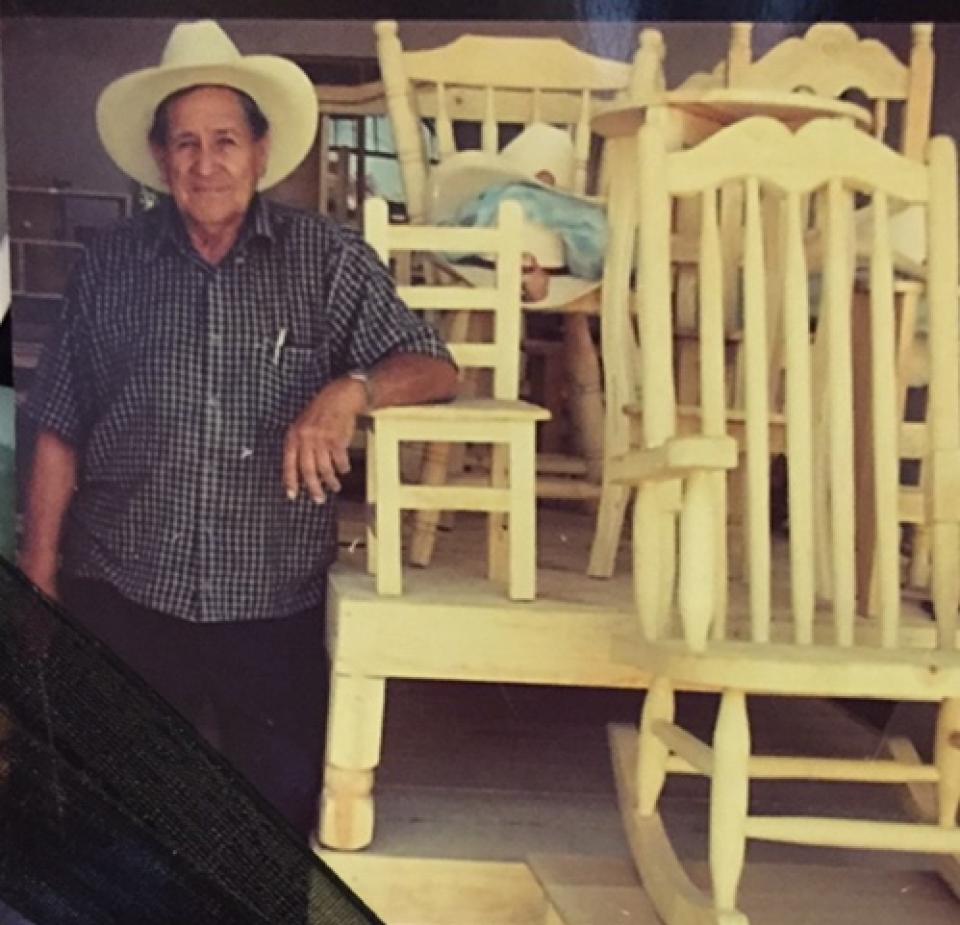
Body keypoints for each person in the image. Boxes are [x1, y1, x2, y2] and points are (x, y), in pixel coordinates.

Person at [17, 20, 457, 839]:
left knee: (274, 823)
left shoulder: (326, 259)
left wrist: (350, 389)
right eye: (184, 143)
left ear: (261, 153)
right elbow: (57, 421)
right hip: (124, 585)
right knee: (114, 820)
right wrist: (37, 573)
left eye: (225, 140)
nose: (204, 162)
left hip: (269, 601)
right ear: (160, 160)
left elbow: (434, 365)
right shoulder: (111, 264)